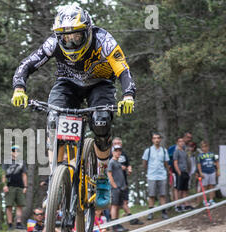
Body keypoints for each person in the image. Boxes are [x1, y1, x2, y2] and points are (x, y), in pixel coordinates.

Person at [11, 3, 136, 211]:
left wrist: (128, 96)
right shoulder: (53, 43)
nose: (71, 42)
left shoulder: (103, 39)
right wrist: (19, 88)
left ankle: (102, 176)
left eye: (76, 37)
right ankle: (55, 181)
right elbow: (27, 64)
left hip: (100, 83)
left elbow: (122, 69)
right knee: (53, 119)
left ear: (87, 31)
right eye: (66, 38)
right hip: (68, 84)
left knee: (101, 121)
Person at [111, 137, 143, 225]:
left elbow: (128, 164)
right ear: (112, 145)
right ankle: (116, 222)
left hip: (123, 181)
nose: (117, 145)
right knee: (115, 204)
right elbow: (109, 168)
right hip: (115, 183)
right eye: (115, 143)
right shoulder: (110, 155)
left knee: (124, 201)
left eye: (119, 143)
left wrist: (129, 169)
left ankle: (125, 220)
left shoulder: (123, 154)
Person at [142, 132, 170, 220]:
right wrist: (148, 171)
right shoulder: (148, 150)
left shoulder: (164, 151)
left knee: (162, 194)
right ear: (152, 140)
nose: (157, 140)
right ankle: (151, 212)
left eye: (158, 138)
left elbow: (166, 163)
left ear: (160, 139)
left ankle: (164, 212)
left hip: (162, 175)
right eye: (155, 138)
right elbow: (144, 163)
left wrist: (168, 172)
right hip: (152, 176)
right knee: (151, 195)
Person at [2, 145, 28, 229]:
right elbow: (3, 174)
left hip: (20, 186)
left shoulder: (22, 162)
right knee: (9, 205)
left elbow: (24, 175)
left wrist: (25, 186)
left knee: (20, 205)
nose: (15, 152)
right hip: (9, 186)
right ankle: (10, 224)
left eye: (17, 151)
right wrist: (4, 185)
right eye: (13, 150)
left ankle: (18, 223)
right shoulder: (6, 162)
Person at [107, 145, 129, 232]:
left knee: (118, 206)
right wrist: (114, 185)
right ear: (113, 152)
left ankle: (117, 223)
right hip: (116, 188)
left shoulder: (118, 162)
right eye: (116, 150)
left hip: (121, 187)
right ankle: (114, 225)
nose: (118, 152)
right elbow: (109, 174)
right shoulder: (111, 162)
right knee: (114, 205)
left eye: (119, 150)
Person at [197, 141, 220, 206]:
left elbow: (217, 162)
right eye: (203, 147)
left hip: (212, 171)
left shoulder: (212, 154)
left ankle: (211, 200)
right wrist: (200, 172)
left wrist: (218, 171)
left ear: (208, 147)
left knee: (212, 186)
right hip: (204, 172)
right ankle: (205, 200)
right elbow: (199, 165)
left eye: (206, 146)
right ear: (201, 148)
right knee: (204, 187)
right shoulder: (200, 156)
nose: (204, 148)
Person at [173, 137, 193, 212]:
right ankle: (178, 205)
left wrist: (187, 171)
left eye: (182, 141)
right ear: (177, 143)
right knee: (179, 189)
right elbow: (175, 163)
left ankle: (186, 205)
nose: (181, 143)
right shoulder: (176, 151)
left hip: (186, 172)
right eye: (180, 141)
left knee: (185, 189)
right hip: (180, 172)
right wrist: (179, 172)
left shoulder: (184, 152)